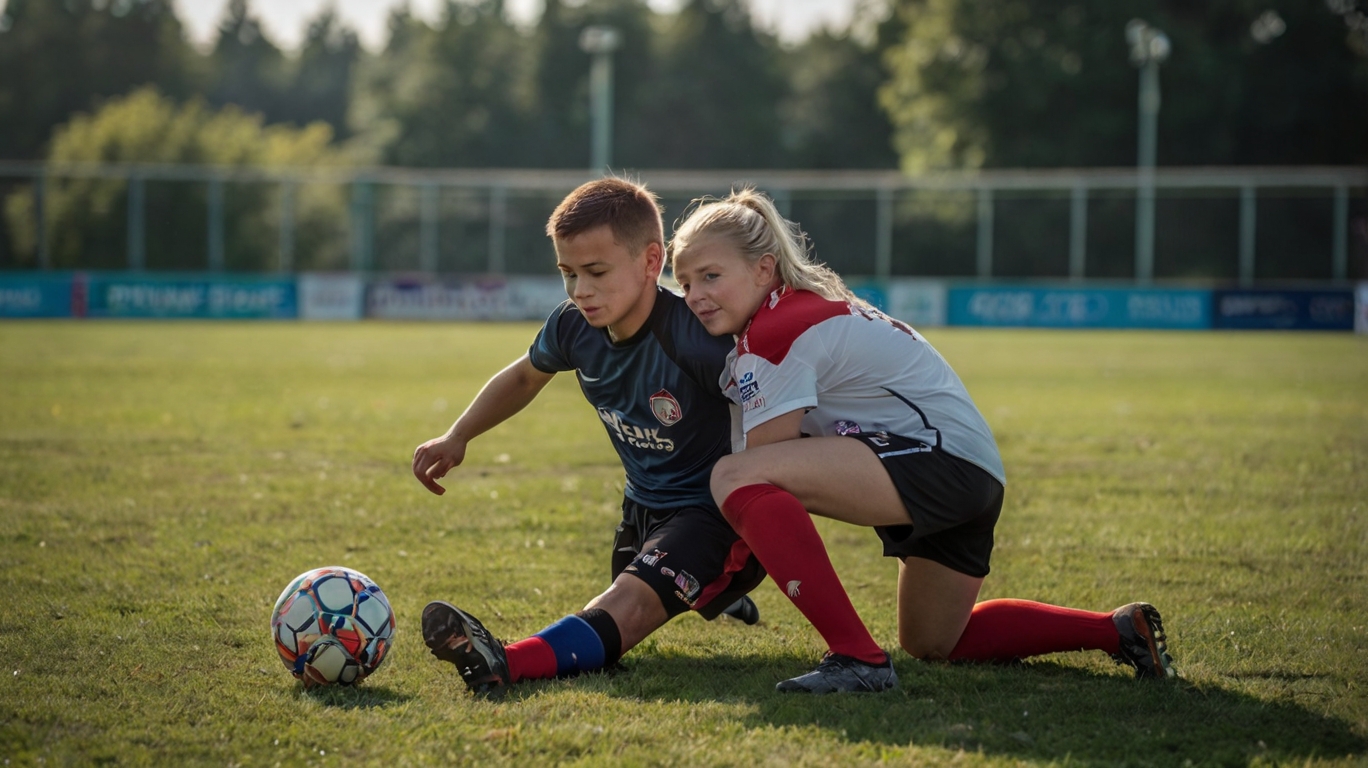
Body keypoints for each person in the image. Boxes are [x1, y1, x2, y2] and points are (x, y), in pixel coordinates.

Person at [668, 188, 1176, 693]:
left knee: (736, 475)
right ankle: (1116, 630)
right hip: (970, 470)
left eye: (711, 276)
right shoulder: (798, 307)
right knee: (934, 641)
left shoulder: (775, 329)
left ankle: (857, 657)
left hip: (940, 463)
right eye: (685, 282)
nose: (694, 295)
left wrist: (704, 579)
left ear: (763, 269)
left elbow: (760, 466)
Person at [412, 177, 765, 697]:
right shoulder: (572, 327)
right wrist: (457, 435)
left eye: (596, 272)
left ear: (651, 262)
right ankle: (713, 591)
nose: (580, 290)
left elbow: (780, 409)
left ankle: (503, 662)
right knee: (636, 583)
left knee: (628, 604)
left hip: (712, 511)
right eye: (568, 273)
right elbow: (524, 377)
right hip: (642, 506)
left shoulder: (698, 340)